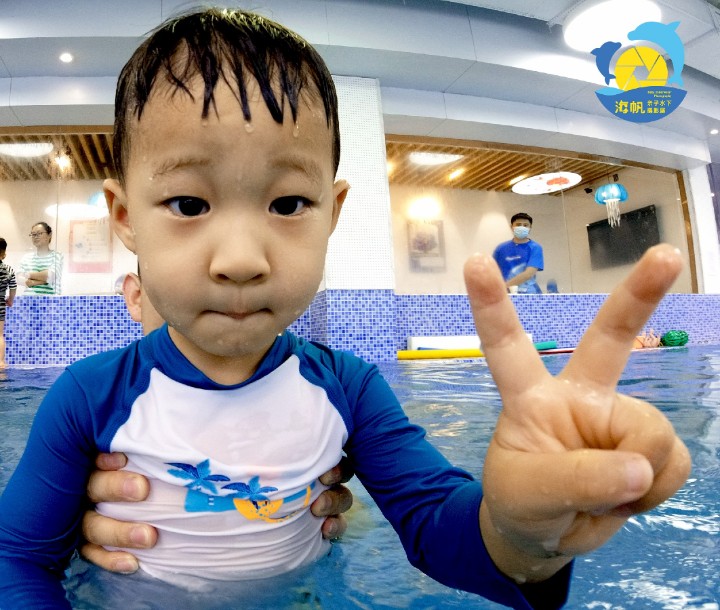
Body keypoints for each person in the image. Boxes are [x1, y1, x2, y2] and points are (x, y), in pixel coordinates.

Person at [0, 8, 690, 610]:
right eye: (188, 203)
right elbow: (17, 559)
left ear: (332, 213)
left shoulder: (349, 390)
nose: (241, 258)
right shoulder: (88, 396)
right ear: (125, 217)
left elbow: (438, 529)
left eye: (288, 203)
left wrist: (522, 533)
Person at [76, 272, 355, 575]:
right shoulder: (95, 402)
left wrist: (326, 513)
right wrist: (67, 517)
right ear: (136, 297)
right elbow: (37, 550)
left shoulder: (321, 394)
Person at [493, 212, 544, 294]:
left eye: (525, 225)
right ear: (511, 227)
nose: (522, 227)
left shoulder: (535, 248)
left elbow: (529, 273)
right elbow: (492, 271)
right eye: (518, 224)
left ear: (530, 227)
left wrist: (504, 286)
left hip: (529, 294)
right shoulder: (501, 248)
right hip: (505, 294)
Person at [19, 221, 64, 294]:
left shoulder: (57, 255)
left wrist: (28, 275)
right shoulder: (26, 258)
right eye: (33, 234)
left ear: (49, 235)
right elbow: (18, 278)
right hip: (28, 299)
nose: (35, 236)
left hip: (51, 299)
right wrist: (43, 279)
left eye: (39, 233)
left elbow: (50, 275)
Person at [0, 237, 17, 369]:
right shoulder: (8, 270)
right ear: (4, 254)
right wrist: (10, 300)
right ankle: (0, 362)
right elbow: (13, 287)